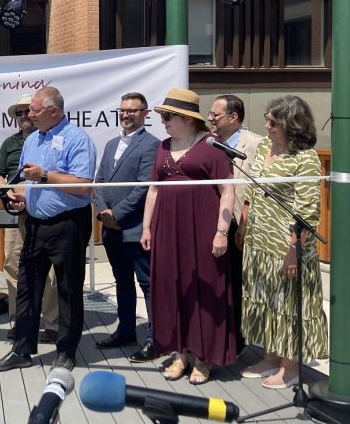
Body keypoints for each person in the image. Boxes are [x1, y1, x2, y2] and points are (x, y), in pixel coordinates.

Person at [0, 86, 96, 372]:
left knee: (68, 290)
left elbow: (84, 186)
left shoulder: (78, 139)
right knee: (27, 287)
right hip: (34, 223)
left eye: (34, 110)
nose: (29, 114)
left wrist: (45, 175)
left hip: (68, 224)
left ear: (53, 111)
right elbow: (26, 180)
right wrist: (17, 193)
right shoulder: (32, 139)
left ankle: (66, 352)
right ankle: (21, 350)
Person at [140, 88, 236, 385]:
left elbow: (228, 191)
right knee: (172, 288)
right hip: (167, 229)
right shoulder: (164, 146)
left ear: (186, 118)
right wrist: (146, 227)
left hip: (203, 229)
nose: (164, 122)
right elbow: (153, 189)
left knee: (204, 291)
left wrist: (222, 232)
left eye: (168, 117)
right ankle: (180, 353)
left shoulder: (212, 146)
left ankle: (203, 358)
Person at [236, 95, 328, 389]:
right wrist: (244, 223)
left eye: (273, 122)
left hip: (286, 246)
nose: (267, 125)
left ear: (292, 124)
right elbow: (252, 188)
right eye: (266, 119)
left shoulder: (306, 159)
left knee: (289, 307)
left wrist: (293, 252)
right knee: (266, 302)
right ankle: (271, 357)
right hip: (259, 242)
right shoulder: (264, 146)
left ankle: (290, 367)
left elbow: (308, 211)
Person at [95, 92, 159, 363]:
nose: (126, 115)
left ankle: (154, 340)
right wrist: (102, 212)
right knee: (122, 281)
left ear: (145, 113)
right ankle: (125, 331)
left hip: (134, 227)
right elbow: (99, 181)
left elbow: (144, 187)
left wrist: (117, 214)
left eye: (132, 110)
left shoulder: (152, 145)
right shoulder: (110, 144)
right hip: (111, 229)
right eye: (122, 110)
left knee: (146, 284)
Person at [0, 94, 58, 343]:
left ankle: (51, 322)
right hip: (16, 211)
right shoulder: (9, 144)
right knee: (11, 263)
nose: (24, 116)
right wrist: (7, 189)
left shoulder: (49, 141)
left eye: (26, 111)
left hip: (44, 209)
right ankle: (18, 319)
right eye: (19, 113)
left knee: (48, 268)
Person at [208, 94, 262, 354]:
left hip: (241, 225)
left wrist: (244, 224)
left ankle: (238, 338)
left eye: (215, 114)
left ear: (233, 117)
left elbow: (255, 189)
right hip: (212, 222)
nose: (210, 118)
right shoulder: (208, 143)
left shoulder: (254, 144)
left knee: (239, 284)